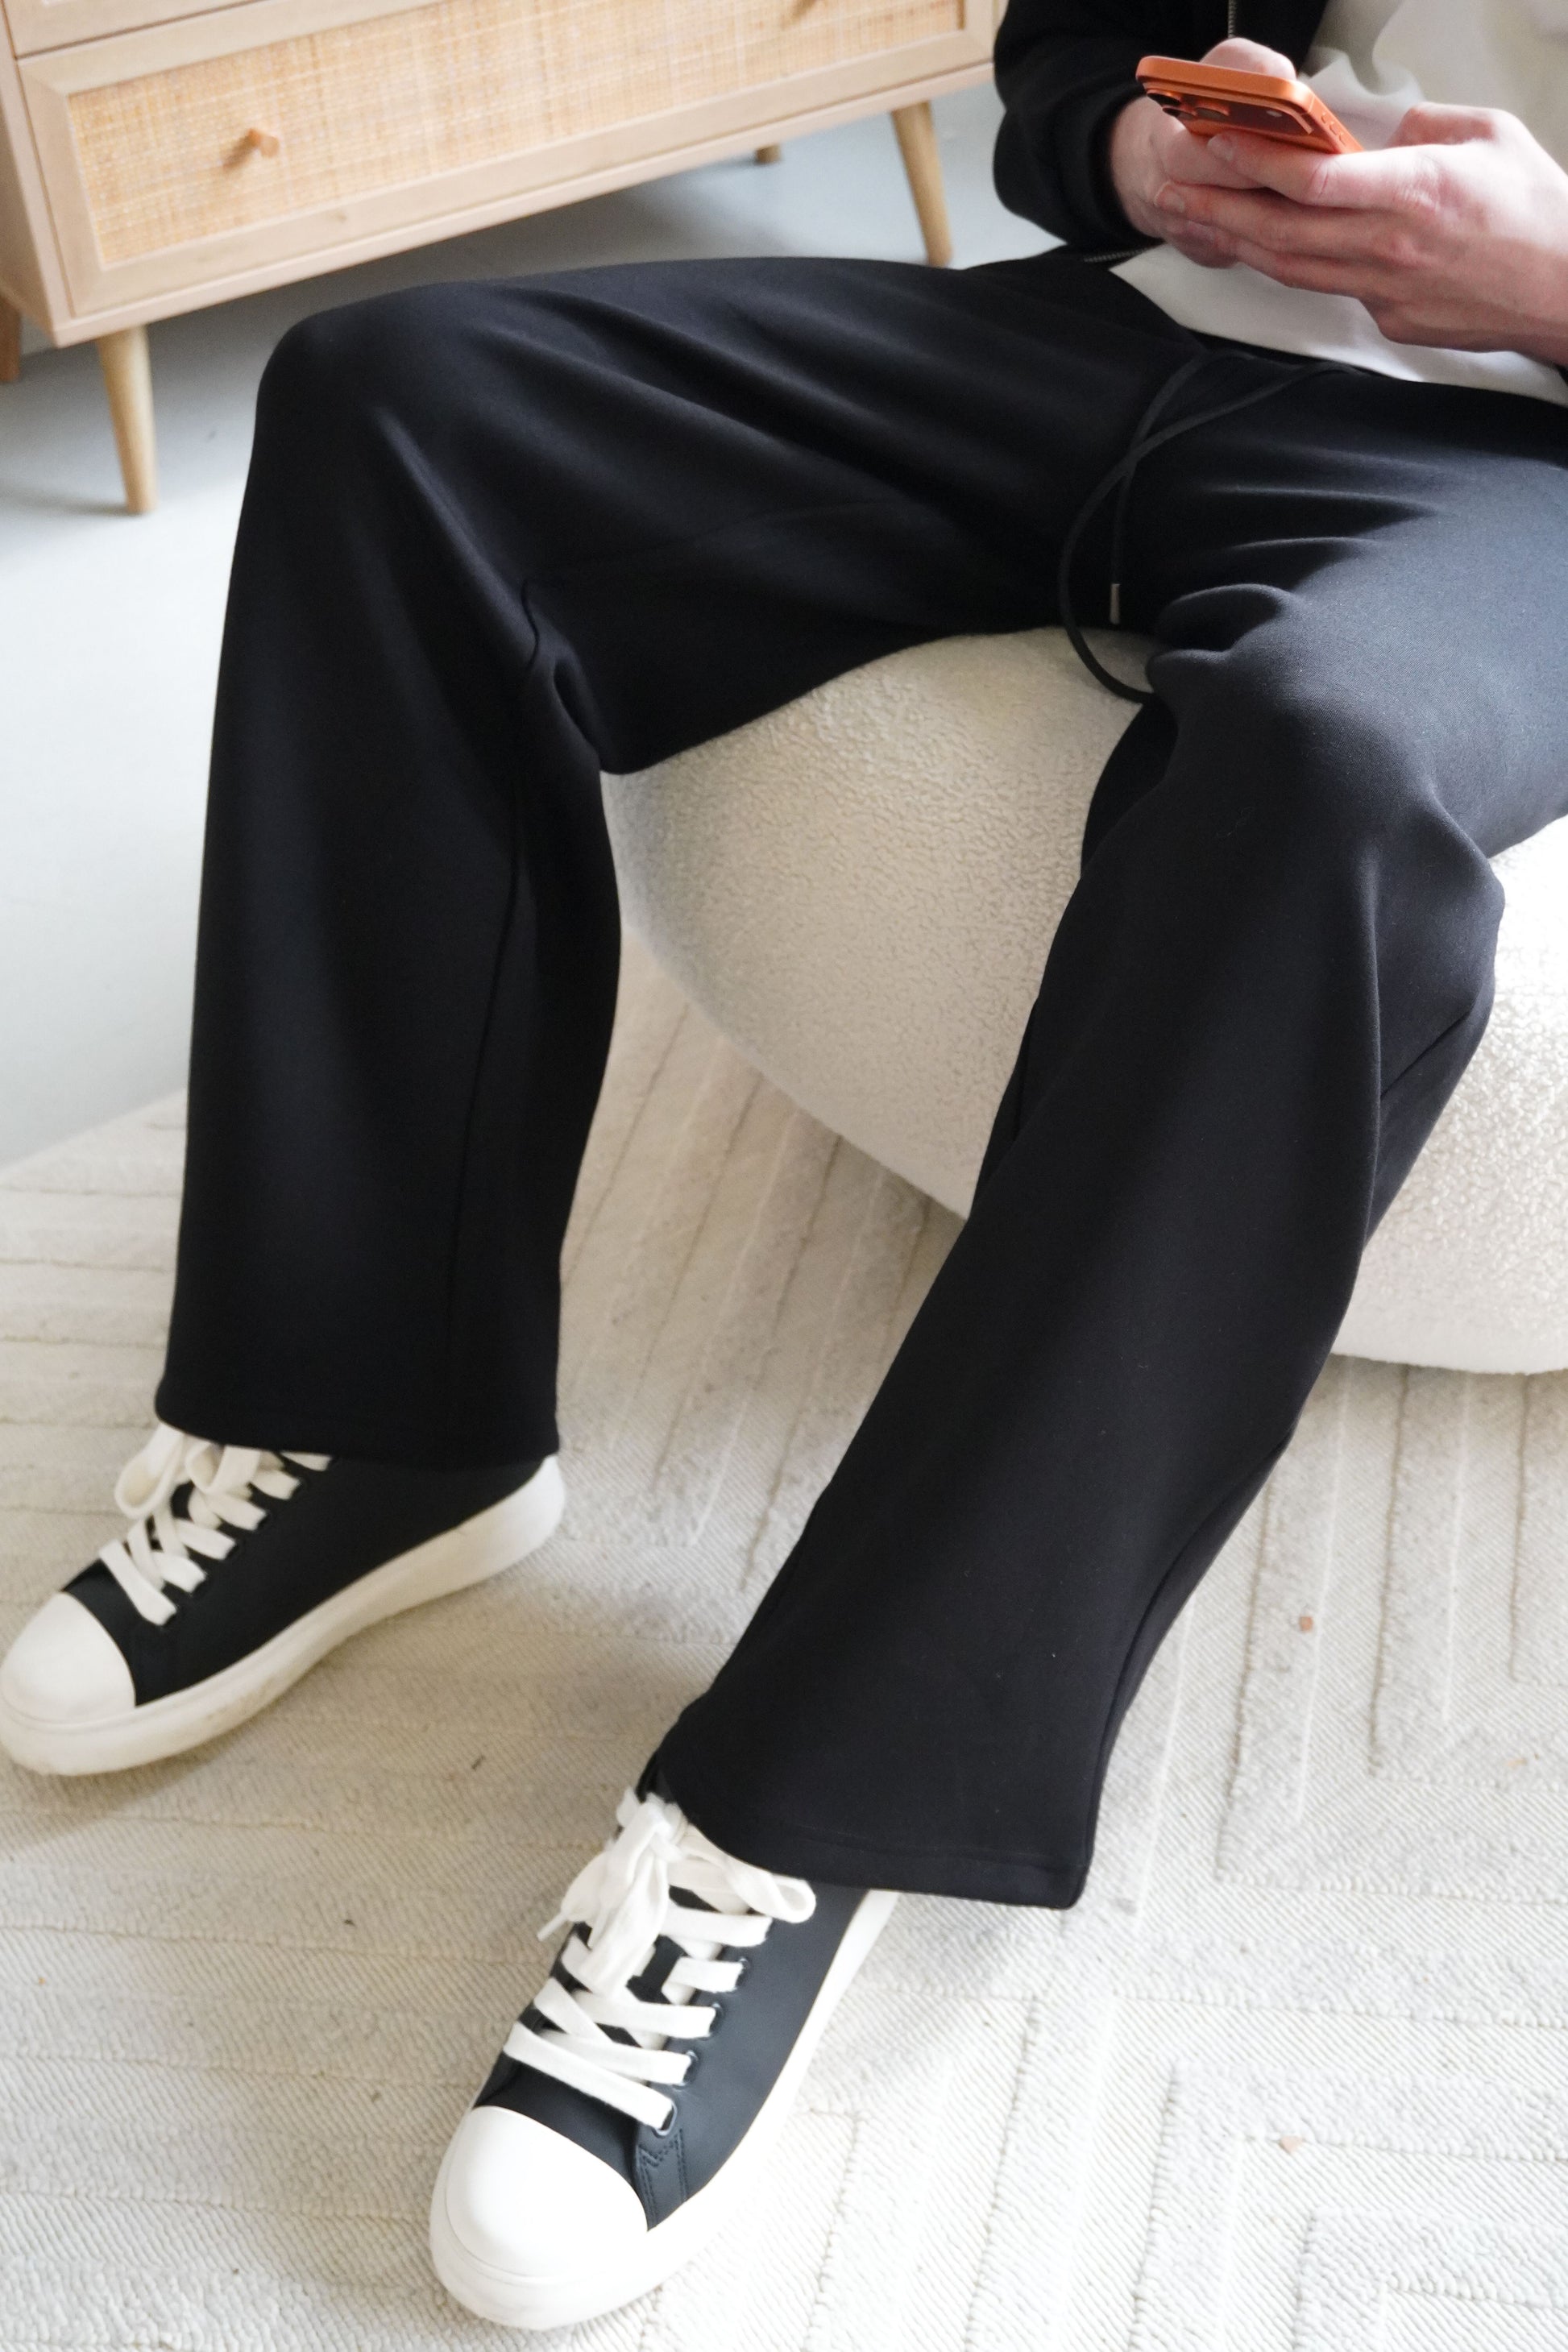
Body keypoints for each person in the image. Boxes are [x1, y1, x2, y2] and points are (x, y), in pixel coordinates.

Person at [6, 0, 1568, 2328]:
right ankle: (371, 1417)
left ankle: (802, 1815)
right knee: (396, 399)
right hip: (1138, 339)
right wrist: (1144, 160)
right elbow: (1079, 57)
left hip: (1527, 482)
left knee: (1316, 767)